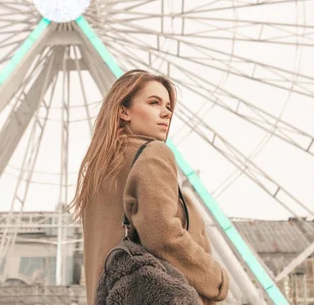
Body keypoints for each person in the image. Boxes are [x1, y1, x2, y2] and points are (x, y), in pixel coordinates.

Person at [70, 69, 229, 304]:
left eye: (168, 107)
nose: (166, 113)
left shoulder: (98, 172)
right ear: (123, 110)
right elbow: (162, 235)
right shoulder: (153, 154)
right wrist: (217, 280)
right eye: (154, 103)